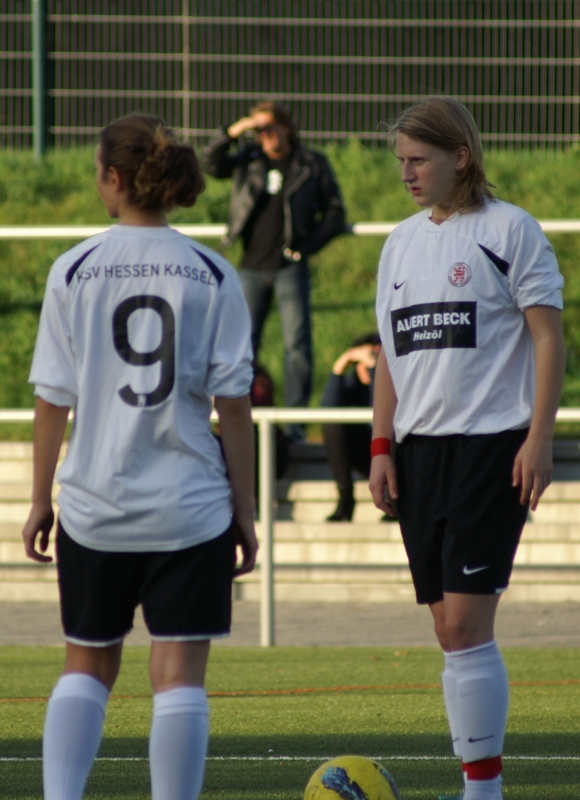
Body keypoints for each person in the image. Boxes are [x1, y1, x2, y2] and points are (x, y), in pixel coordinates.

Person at [21, 114, 258, 800]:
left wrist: (40, 501)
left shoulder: (74, 269)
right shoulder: (212, 272)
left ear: (115, 178)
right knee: (178, 678)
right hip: (189, 508)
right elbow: (233, 405)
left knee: (87, 667)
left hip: (96, 506)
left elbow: (52, 401)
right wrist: (244, 511)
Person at [369, 97, 565, 800]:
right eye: (400, 161)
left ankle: (484, 790)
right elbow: (389, 355)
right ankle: (475, 781)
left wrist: (539, 437)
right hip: (417, 454)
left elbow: (548, 336)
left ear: (461, 156)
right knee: (448, 632)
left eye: (418, 160)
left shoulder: (511, 230)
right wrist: (381, 447)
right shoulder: (399, 243)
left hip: (490, 448)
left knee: (465, 623)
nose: (406, 173)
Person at [201, 101, 346, 437]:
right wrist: (235, 131)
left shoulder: (311, 164)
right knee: (242, 349)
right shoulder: (249, 160)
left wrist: (304, 249)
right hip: (250, 267)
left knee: (297, 349)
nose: (263, 135)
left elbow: (335, 212)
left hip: (289, 268)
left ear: (287, 127)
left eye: (268, 127)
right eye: (258, 129)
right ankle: (239, 423)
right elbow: (210, 163)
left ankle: (294, 428)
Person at [322, 333, 381, 521]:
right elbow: (328, 409)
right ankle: (345, 497)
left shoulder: (395, 383)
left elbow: (381, 409)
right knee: (333, 424)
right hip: (368, 456)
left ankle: (395, 500)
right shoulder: (352, 385)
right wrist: (338, 369)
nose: (365, 366)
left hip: (393, 455)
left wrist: (376, 369)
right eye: (360, 361)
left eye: (372, 359)